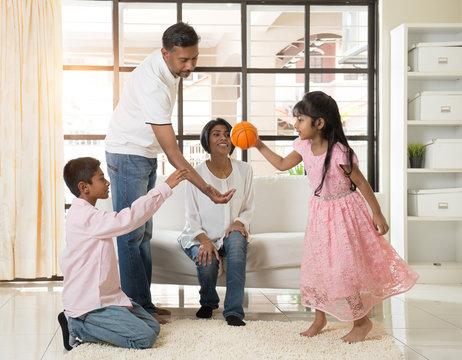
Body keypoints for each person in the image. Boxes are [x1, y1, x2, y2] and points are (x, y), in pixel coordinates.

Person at [253, 91, 419, 343]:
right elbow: (282, 164)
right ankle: (319, 319)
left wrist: (377, 212)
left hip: (345, 214)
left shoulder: (340, 152)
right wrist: (258, 144)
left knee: (345, 269)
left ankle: (361, 322)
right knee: (317, 265)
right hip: (320, 213)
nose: (295, 125)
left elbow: (362, 183)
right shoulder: (304, 147)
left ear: (319, 123)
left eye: (300, 120)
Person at [105, 22, 234, 324]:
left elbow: (163, 148)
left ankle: (144, 303)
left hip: (143, 153)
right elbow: (173, 153)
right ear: (165, 53)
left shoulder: (170, 65)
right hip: (127, 154)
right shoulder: (153, 84)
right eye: (183, 60)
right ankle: (137, 308)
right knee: (130, 233)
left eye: (194, 58)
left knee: (144, 233)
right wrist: (208, 189)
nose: (190, 66)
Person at [58, 157, 187, 350]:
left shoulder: (87, 213)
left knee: (152, 327)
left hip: (108, 297)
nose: (107, 182)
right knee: (144, 339)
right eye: (101, 178)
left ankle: (89, 320)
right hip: (91, 304)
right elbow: (128, 219)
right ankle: (76, 325)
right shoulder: (86, 217)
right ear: (84, 187)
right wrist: (164, 188)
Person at [178, 118, 255, 326]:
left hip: (232, 233)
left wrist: (238, 223)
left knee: (237, 242)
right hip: (200, 234)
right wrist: (204, 240)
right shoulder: (196, 175)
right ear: (207, 140)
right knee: (207, 261)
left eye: (227, 134)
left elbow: (248, 208)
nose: (223, 138)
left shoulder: (245, 170)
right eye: (216, 134)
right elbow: (192, 217)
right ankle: (208, 302)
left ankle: (233, 312)